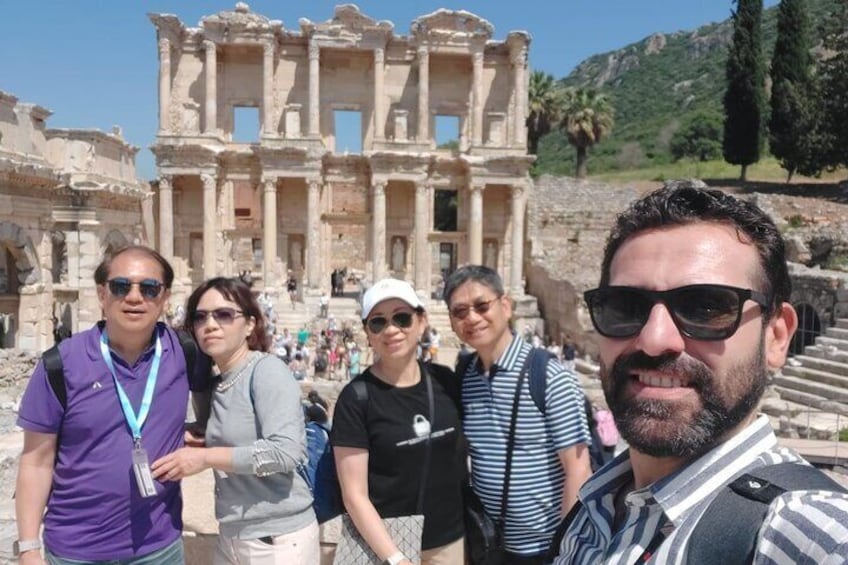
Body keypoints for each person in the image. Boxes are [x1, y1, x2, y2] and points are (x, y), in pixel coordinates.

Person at [554, 186, 848, 563]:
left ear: (776, 337)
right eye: (625, 306)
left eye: (706, 307)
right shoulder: (594, 509)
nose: (654, 340)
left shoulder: (807, 535)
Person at [15, 245, 197, 564]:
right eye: (121, 286)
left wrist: (202, 450)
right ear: (102, 294)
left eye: (149, 288)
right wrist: (29, 548)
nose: (134, 297)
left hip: (159, 548)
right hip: (75, 551)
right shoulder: (61, 364)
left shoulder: (183, 352)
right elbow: (36, 462)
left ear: (165, 297)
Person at [151, 277, 319, 564]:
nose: (210, 324)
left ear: (250, 324)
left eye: (224, 314)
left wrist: (205, 458)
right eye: (200, 317)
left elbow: (287, 452)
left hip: (277, 540)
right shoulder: (217, 385)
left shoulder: (267, 371)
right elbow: (223, 435)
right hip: (232, 536)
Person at [443, 265, 592, 563]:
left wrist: (565, 551)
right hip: (488, 544)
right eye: (460, 311)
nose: (472, 318)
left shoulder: (549, 377)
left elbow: (578, 469)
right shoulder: (465, 376)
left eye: (482, 306)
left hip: (544, 548)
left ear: (506, 306)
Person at [331, 278, 466, 565]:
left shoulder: (446, 382)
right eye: (378, 322)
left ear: (421, 321)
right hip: (384, 545)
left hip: (449, 542)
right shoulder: (356, 399)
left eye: (402, 318)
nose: (391, 329)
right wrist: (395, 558)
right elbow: (354, 494)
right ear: (368, 333)